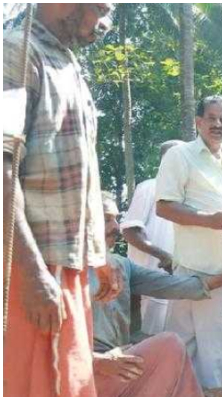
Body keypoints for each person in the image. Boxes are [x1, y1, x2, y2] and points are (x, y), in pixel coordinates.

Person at [2, 4, 120, 396]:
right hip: (27, 267)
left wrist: (97, 255)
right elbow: (2, 167)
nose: (105, 25)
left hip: (64, 266)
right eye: (101, 9)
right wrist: (33, 275)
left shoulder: (65, 61)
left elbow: (81, 161)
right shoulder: (15, 54)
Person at [92, 193, 222, 397]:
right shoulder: (65, 271)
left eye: (116, 219)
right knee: (171, 344)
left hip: (119, 367)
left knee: (170, 359)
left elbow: (174, 286)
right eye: (106, 219)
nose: (116, 227)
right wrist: (98, 361)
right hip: (85, 371)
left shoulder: (122, 265)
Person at [155, 95, 222, 389]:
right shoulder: (180, 156)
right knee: (184, 348)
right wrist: (209, 219)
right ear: (198, 122)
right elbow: (163, 207)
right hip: (193, 270)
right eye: (212, 118)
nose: (218, 124)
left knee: (219, 352)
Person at [120, 140, 184, 337]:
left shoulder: (185, 196)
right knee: (147, 342)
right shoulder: (149, 188)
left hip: (174, 288)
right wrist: (162, 254)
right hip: (147, 286)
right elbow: (130, 231)